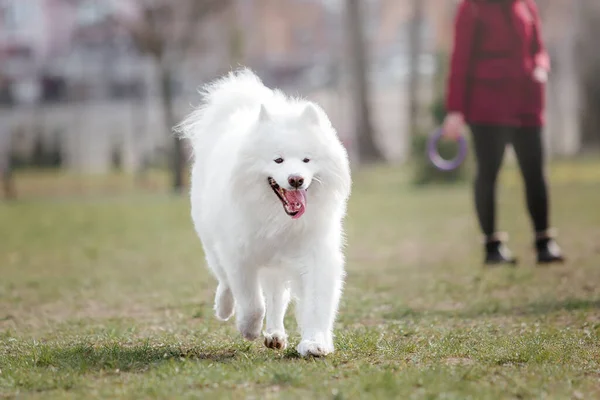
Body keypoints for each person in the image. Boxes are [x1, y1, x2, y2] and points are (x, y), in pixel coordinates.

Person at [443, 0, 564, 265]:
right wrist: (455, 110)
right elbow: (460, 60)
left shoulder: (527, 5)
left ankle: (544, 241)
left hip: (527, 103)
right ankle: (492, 246)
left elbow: (539, 48)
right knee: (488, 173)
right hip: (488, 105)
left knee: (535, 173)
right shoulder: (471, 8)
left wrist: (541, 66)